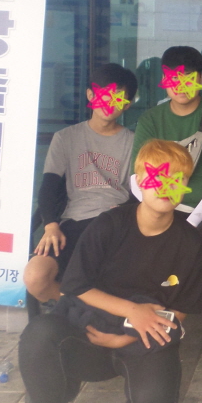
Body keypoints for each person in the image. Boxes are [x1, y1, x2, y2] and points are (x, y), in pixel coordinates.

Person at [19, 140, 202, 403]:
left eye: (175, 179)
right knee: (39, 333)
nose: (165, 187)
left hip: (142, 336)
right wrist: (131, 310)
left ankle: (130, 374)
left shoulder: (190, 242)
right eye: (157, 177)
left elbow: (180, 310)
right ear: (139, 181)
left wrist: (126, 338)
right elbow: (76, 286)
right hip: (90, 329)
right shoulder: (110, 224)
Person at [131, 46, 202, 371]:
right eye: (173, 78)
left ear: (201, 79)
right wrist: (158, 210)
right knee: (129, 236)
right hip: (163, 205)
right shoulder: (151, 119)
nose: (180, 86)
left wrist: (189, 223)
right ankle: (143, 319)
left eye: (188, 78)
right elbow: (136, 178)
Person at [25, 63, 138, 314]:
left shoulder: (134, 142)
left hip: (114, 223)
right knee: (35, 277)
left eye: (118, 98)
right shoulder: (65, 138)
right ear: (90, 94)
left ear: (127, 104)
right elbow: (49, 186)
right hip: (73, 224)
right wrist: (50, 225)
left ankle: (88, 313)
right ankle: (91, 312)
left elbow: (140, 192)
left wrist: (126, 211)